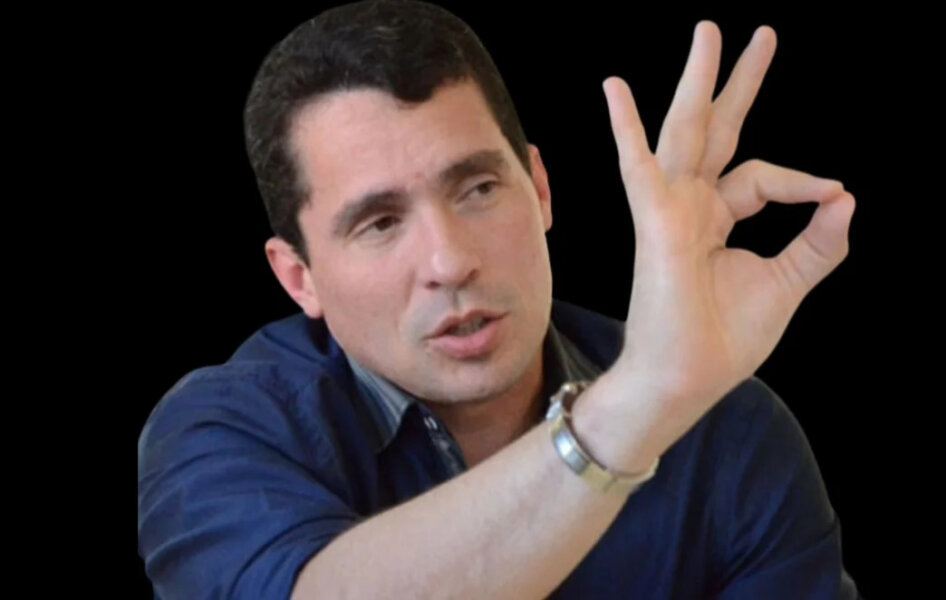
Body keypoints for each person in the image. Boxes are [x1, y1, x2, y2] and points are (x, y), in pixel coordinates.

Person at [137, 1, 861, 598]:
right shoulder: (221, 433)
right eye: (380, 224)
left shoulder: (731, 431)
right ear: (300, 277)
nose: (450, 261)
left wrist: (663, 390)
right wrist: (637, 405)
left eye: (479, 189)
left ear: (540, 189)